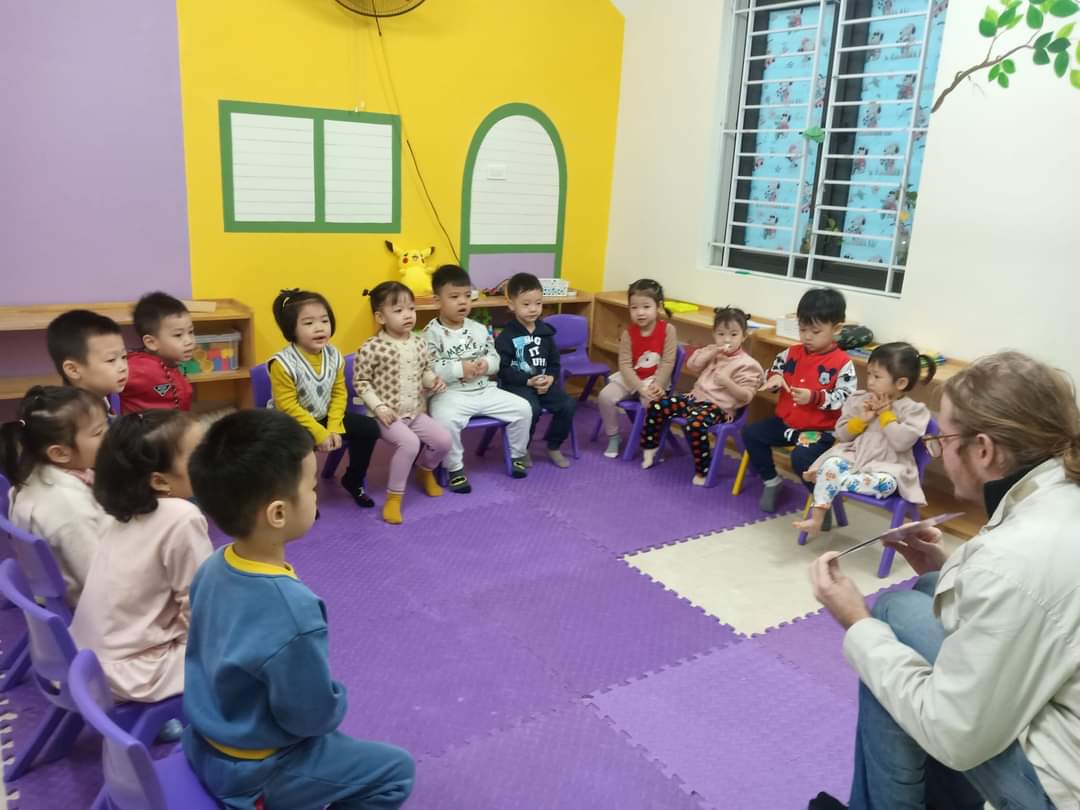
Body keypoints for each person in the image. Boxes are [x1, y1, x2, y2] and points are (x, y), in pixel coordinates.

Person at [809, 351, 1080, 810]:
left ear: (983, 449)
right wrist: (945, 568)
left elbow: (955, 735)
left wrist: (856, 622)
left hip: (1059, 788)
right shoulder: (1059, 495)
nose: (938, 452)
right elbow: (1028, 599)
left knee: (891, 617)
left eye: (942, 440)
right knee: (924, 591)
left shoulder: (1015, 556)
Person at [184, 408, 415, 809]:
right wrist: (338, 699)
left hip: (204, 738)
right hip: (256, 770)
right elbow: (311, 717)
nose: (315, 494)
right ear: (278, 513)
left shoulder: (214, 564)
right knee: (397, 771)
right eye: (310, 488)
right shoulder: (293, 611)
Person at [70, 410, 211, 742]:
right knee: (252, 648)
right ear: (159, 481)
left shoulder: (123, 512)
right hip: (133, 673)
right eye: (199, 455)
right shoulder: (182, 516)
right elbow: (203, 606)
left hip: (88, 663)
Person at [795, 342, 935, 537]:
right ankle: (816, 519)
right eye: (869, 374)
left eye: (877, 376)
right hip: (854, 458)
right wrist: (861, 420)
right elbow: (842, 435)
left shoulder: (913, 411)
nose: (869, 381)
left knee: (887, 483)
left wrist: (886, 415)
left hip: (889, 466)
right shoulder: (860, 400)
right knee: (830, 465)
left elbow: (901, 443)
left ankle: (832, 482)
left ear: (901, 383)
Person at [742, 287, 856, 513]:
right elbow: (775, 370)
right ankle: (771, 481)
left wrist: (814, 397)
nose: (807, 337)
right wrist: (773, 378)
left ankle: (821, 501)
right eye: (802, 329)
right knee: (751, 433)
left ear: (836, 329)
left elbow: (845, 399)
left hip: (819, 431)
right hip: (787, 424)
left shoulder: (843, 363)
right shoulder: (790, 353)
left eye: (815, 331)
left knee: (800, 458)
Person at [423, 264, 531, 493]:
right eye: (454, 297)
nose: (462, 302)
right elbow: (429, 368)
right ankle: (454, 468)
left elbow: (494, 357)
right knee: (444, 421)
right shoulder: (430, 333)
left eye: (467, 295)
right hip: (449, 394)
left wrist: (486, 365)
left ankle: (517, 454)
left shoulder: (480, 329)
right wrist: (459, 368)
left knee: (523, 409)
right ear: (437, 300)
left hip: (484, 389)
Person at [269, 289, 380, 509]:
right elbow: (288, 406)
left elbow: (339, 393)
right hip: (293, 423)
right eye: (309, 323)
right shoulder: (282, 364)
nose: (319, 328)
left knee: (369, 429)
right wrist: (320, 433)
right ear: (291, 328)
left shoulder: (334, 355)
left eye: (324, 320)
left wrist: (334, 427)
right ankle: (303, 495)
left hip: (326, 416)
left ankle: (353, 480)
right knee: (299, 449)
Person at [2, 386, 110, 605]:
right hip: (91, 605)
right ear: (59, 453)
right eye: (99, 432)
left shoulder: (31, 474)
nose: (110, 435)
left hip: (71, 589)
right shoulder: (69, 510)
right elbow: (102, 582)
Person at [354, 282, 451, 524]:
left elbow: (424, 371)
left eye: (411, 309)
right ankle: (394, 498)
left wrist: (433, 380)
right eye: (398, 310)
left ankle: (425, 470)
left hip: (415, 412)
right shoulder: (371, 347)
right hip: (385, 416)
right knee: (409, 443)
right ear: (380, 317)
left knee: (443, 441)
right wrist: (379, 407)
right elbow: (361, 382)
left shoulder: (419, 342)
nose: (407, 315)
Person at [640, 307, 763, 484]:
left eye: (734, 334)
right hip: (694, 399)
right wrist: (710, 352)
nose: (727, 339)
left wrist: (727, 382)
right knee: (657, 405)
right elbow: (692, 365)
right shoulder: (713, 351)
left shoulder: (748, 365)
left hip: (719, 408)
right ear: (714, 334)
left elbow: (746, 397)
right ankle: (651, 447)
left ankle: (703, 470)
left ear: (744, 336)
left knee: (695, 424)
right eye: (721, 334)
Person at [494, 272, 577, 468]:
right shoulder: (506, 336)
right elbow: (502, 370)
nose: (533, 309)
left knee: (568, 404)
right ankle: (522, 448)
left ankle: (554, 446)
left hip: (543, 385)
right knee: (532, 409)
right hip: (517, 386)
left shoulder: (545, 333)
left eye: (538, 303)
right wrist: (527, 381)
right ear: (511, 304)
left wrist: (550, 378)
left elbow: (554, 363)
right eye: (526, 304)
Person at [596, 279, 679, 459]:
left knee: (652, 403)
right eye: (634, 308)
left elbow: (668, 362)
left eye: (646, 307)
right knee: (605, 396)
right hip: (632, 377)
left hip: (655, 379)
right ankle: (613, 436)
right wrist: (639, 386)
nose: (640, 312)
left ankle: (651, 443)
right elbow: (625, 365)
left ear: (658, 307)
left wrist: (658, 384)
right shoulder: (628, 333)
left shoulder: (668, 330)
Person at [121, 292, 195, 414]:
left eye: (191, 332)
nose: (189, 341)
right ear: (151, 342)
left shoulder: (172, 363)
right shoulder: (139, 368)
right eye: (178, 335)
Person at [45, 309, 128, 412]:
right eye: (111, 360)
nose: (123, 367)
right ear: (73, 370)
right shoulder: (72, 417)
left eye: (124, 357)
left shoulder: (105, 398)